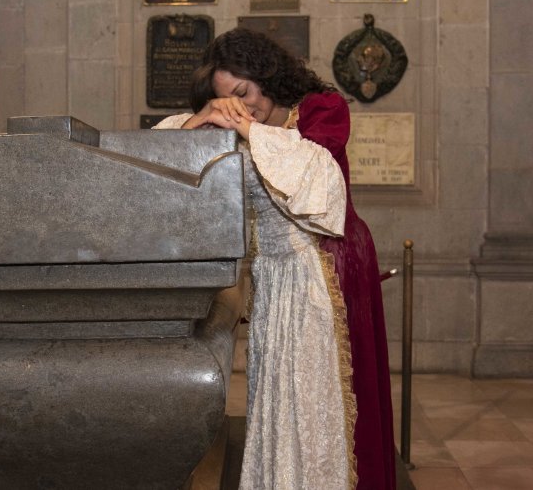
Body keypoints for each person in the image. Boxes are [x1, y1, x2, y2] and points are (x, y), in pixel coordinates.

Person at [154, 27, 395, 490]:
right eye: (227, 98)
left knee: (318, 397)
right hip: (274, 274)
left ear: (266, 76)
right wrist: (204, 116)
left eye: (245, 92)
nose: (243, 107)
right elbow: (167, 161)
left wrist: (246, 128)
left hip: (325, 265)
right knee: (280, 394)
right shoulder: (226, 121)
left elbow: (314, 173)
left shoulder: (322, 109)